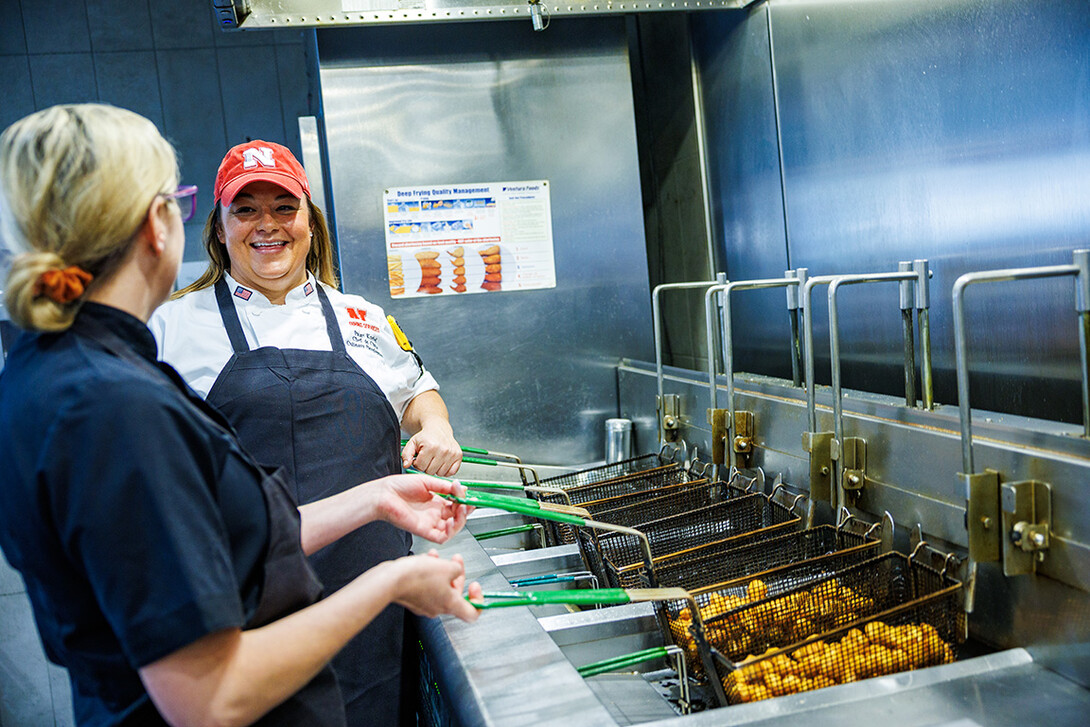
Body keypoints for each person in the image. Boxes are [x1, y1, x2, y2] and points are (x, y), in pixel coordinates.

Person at [0, 103, 481, 727]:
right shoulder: (115, 405)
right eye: (228, 206)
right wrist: (390, 584)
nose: (268, 225)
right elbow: (208, 697)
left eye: (285, 208)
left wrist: (378, 499)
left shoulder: (49, 372)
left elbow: (216, 541)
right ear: (160, 224)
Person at [148, 140, 461, 726]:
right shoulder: (171, 327)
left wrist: (437, 424)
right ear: (219, 230)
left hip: (371, 591)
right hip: (243, 600)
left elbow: (416, 389)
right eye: (245, 209)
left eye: (283, 207)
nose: (267, 226)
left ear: (310, 225)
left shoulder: (360, 316)